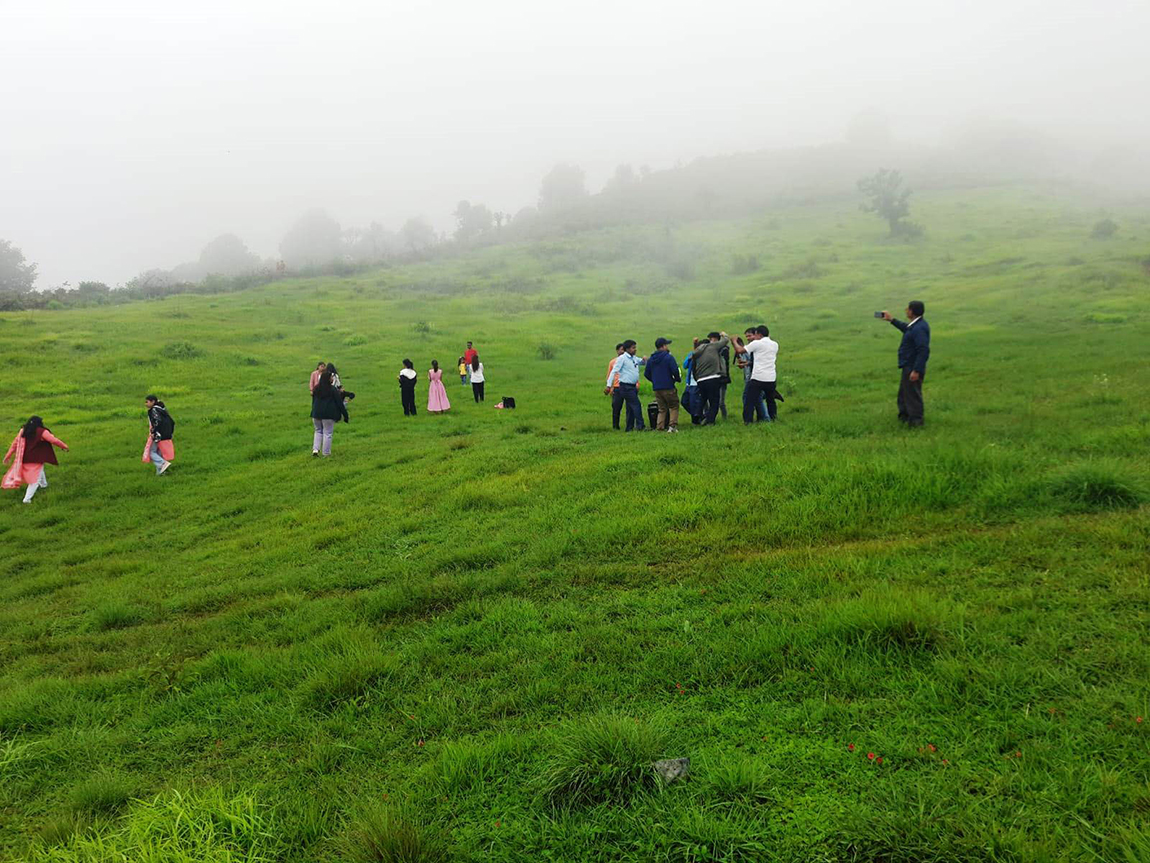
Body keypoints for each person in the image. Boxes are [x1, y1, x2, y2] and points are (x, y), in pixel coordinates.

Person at [881, 301, 931, 426]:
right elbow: (906, 329)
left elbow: (923, 350)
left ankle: (916, 422)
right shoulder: (915, 326)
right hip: (908, 365)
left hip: (912, 366)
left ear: (912, 311)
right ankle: (904, 417)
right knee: (904, 393)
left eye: (907, 309)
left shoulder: (920, 328)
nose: (906, 310)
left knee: (912, 395)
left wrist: (917, 370)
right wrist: (891, 320)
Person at [3, 416, 69, 503]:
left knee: (39, 471)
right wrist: (64, 446)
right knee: (34, 480)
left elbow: (15, 444)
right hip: (36, 459)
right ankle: (27, 499)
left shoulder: (23, 431)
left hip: (24, 458)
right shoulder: (42, 432)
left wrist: (8, 455)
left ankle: (44, 485)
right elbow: (54, 440)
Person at [730, 325, 780, 423]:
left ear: (759, 334)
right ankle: (773, 418)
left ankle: (747, 422)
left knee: (749, 401)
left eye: (755, 335)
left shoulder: (757, 343)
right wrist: (747, 363)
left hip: (758, 377)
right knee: (770, 400)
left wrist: (734, 341)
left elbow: (739, 350)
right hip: (771, 377)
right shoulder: (775, 344)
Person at [688, 332, 730, 425]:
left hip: (700, 380)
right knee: (714, 401)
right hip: (713, 378)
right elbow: (726, 340)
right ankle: (710, 421)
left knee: (703, 398)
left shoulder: (697, 351)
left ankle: (697, 414)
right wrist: (723, 334)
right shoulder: (712, 347)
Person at [604, 339, 646, 431]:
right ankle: (640, 426)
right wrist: (608, 385)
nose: (635, 349)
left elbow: (642, 362)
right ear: (627, 349)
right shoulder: (622, 359)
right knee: (636, 405)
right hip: (625, 387)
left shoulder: (634, 358)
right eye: (633, 348)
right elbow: (614, 371)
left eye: (635, 347)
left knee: (631, 407)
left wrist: (644, 360)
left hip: (632, 386)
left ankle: (629, 428)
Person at [643, 338, 681, 432]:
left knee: (662, 409)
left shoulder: (651, 359)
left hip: (657, 388)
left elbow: (646, 373)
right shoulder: (668, 357)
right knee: (673, 406)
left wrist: (655, 381)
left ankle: (660, 427)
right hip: (668, 386)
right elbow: (675, 370)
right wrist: (677, 379)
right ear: (663, 346)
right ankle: (672, 427)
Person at [736, 330, 768, 423]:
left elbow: (755, 362)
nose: (748, 338)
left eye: (750, 336)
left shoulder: (757, 347)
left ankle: (763, 418)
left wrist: (746, 364)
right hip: (750, 377)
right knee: (757, 398)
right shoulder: (751, 347)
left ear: (756, 335)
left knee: (749, 398)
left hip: (756, 377)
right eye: (746, 336)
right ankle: (762, 418)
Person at [310, 367, 343, 456]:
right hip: (328, 415)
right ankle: (326, 453)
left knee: (318, 431)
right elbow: (339, 402)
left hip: (316, 414)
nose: (332, 379)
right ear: (328, 379)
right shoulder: (332, 389)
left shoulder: (316, 388)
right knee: (327, 433)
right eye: (331, 377)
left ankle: (315, 450)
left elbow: (313, 402)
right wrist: (344, 414)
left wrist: (313, 412)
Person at [143, 395, 176, 475]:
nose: (145, 404)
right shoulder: (162, 410)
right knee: (159, 452)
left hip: (158, 435)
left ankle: (163, 463)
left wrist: (154, 432)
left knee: (151, 452)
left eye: (147, 402)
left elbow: (157, 422)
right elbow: (172, 422)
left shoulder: (154, 410)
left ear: (153, 401)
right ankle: (160, 473)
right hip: (166, 434)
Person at [605, 343, 633, 430]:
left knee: (630, 407)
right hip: (617, 387)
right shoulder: (613, 362)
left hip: (628, 386)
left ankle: (629, 426)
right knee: (616, 407)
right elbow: (610, 375)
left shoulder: (630, 361)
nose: (623, 351)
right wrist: (610, 387)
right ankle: (615, 426)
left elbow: (634, 373)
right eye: (621, 349)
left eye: (624, 350)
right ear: (617, 351)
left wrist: (636, 384)